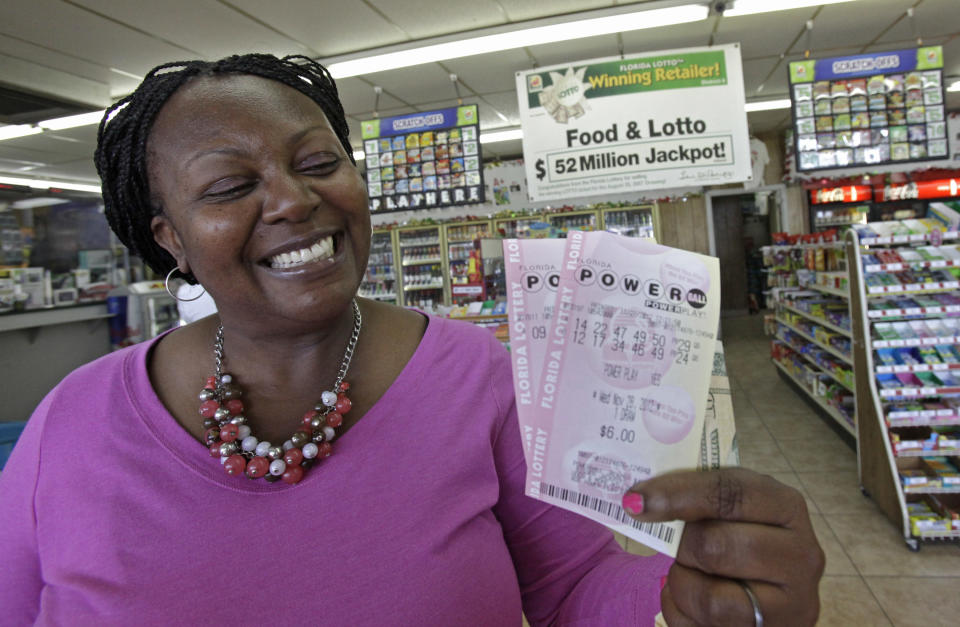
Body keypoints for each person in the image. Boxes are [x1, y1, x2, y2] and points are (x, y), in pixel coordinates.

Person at [0, 54, 824, 625]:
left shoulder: (480, 378)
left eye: (317, 160)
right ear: (169, 238)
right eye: (230, 185)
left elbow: (575, 584)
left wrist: (692, 595)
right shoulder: (73, 424)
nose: (293, 200)